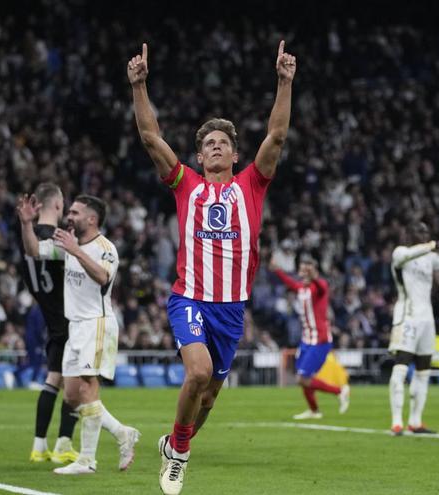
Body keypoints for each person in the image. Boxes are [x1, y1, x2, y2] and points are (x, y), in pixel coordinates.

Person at [128, 40, 295, 495]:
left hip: (231, 308)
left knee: (210, 396)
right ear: (199, 158)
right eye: (209, 144)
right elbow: (149, 138)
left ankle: (176, 440)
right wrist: (139, 87)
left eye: (224, 142)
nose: (216, 147)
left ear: (235, 155)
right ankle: (178, 455)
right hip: (191, 297)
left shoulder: (252, 185)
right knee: (197, 373)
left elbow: (276, 136)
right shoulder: (186, 185)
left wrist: (284, 82)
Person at [18, 193, 140, 475]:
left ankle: (87, 460)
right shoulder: (68, 244)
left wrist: (75, 251)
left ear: (91, 219)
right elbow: (34, 251)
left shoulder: (104, 247)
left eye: (75, 213)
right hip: (76, 327)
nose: (68, 216)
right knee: (73, 395)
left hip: (96, 324)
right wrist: (26, 225)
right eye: (69, 211)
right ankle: (122, 432)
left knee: (87, 390)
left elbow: (103, 277)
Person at [18, 182, 79, 464]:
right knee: (75, 385)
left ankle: (39, 445)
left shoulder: (27, 239)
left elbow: (32, 256)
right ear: (56, 204)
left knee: (53, 378)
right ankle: (64, 443)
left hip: (50, 317)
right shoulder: (57, 238)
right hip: (68, 316)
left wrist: (25, 225)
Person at [387, 223, 439, 435]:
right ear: (410, 234)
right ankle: (397, 421)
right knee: (400, 368)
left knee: (424, 370)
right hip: (407, 318)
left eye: (427, 232)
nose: (425, 235)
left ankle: (415, 421)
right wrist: (435, 244)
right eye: (421, 232)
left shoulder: (429, 258)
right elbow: (408, 255)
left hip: (427, 321)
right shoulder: (400, 253)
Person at [270, 257, 349, 419]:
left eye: (306, 269)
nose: (302, 272)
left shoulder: (319, 287)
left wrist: (314, 277)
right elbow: (290, 282)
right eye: (302, 268)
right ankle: (314, 411)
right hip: (306, 340)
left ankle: (340, 391)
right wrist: (277, 269)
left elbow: (321, 286)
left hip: (319, 341)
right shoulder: (301, 288)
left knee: (302, 379)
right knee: (304, 377)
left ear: (312, 271)